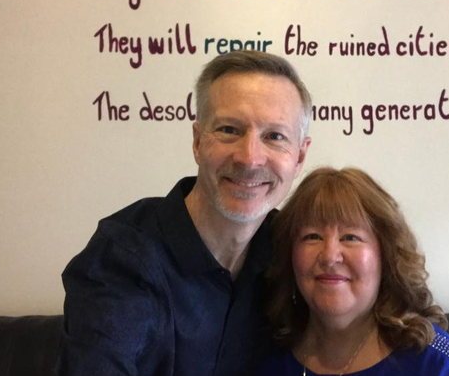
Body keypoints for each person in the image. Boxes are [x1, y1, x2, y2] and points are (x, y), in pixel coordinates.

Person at [57, 51, 312, 376]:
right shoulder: (123, 257)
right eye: (229, 130)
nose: (250, 158)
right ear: (197, 142)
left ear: (299, 157)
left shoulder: (291, 251)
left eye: (274, 136)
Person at [259, 167, 449, 376]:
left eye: (350, 237)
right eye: (312, 236)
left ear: (386, 255)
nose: (329, 256)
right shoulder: (262, 355)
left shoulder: (438, 363)